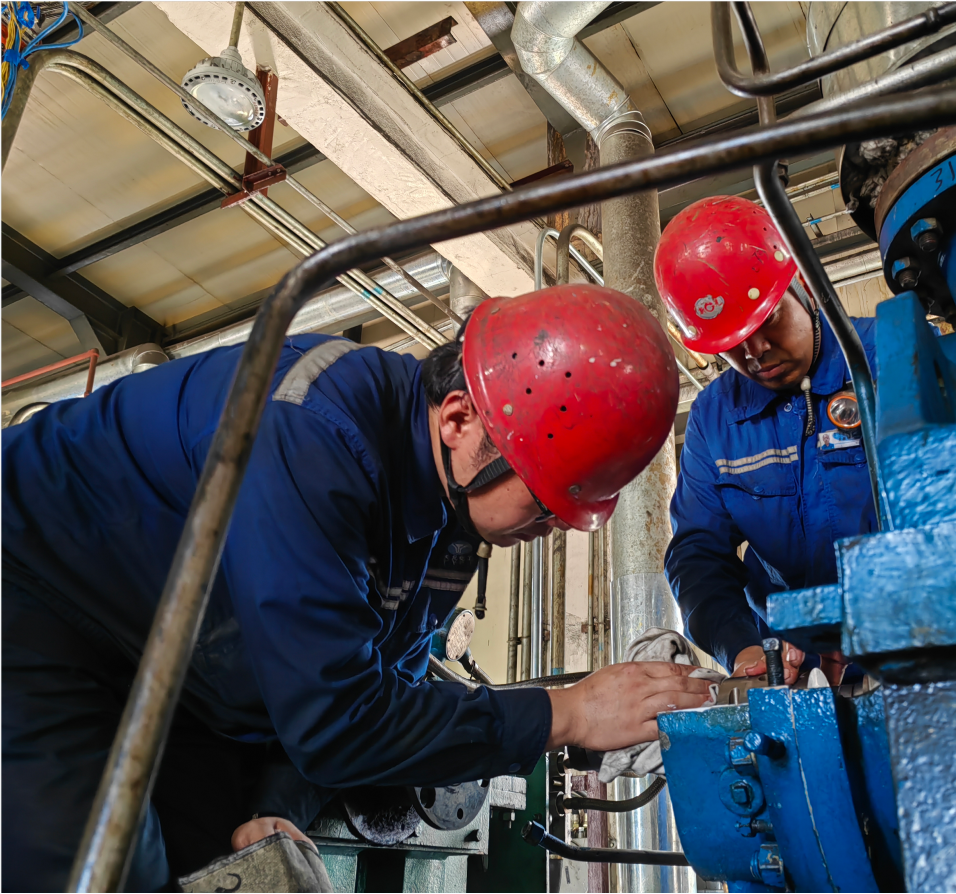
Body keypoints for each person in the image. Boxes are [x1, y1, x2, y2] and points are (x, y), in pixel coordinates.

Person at [2, 283, 713, 891]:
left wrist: (275, 807)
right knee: (103, 869)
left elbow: (385, 683)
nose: (553, 526)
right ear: (459, 419)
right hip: (34, 595)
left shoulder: (452, 514)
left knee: (228, 864)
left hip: (174, 671)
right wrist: (568, 713)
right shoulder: (313, 433)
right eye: (547, 499)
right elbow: (339, 720)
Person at [656, 196, 878, 685]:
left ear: (806, 288)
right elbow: (699, 553)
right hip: (791, 672)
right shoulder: (715, 418)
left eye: (768, 320)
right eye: (731, 343)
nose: (755, 352)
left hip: (913, 646)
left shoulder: (889, 361)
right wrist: (743, 648)